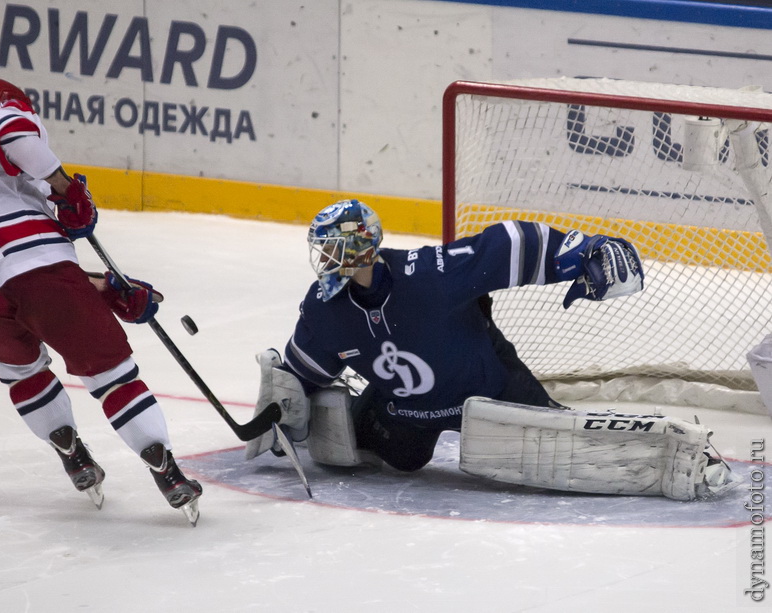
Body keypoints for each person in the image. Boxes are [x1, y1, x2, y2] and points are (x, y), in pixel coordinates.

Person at [0, 78, 201, 521]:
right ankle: (165, 468)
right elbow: (14, 135)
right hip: (33, 268)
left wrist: (106, 289)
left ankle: (71, 451)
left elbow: (4, 266)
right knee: (111, 372)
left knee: (21, 371)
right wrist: (66, 189)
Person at [245, 198, 645, 473]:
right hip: (404, 414)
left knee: (563, 450)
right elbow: (303, 373)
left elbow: (505, 244)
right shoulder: (324, 308)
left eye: (332, 249)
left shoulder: (430, 276)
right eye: (321, 250)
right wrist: (283, 407)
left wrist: (587, 248)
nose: (323, 260)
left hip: (492, 386)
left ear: (360, 248)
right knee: (402, 459)